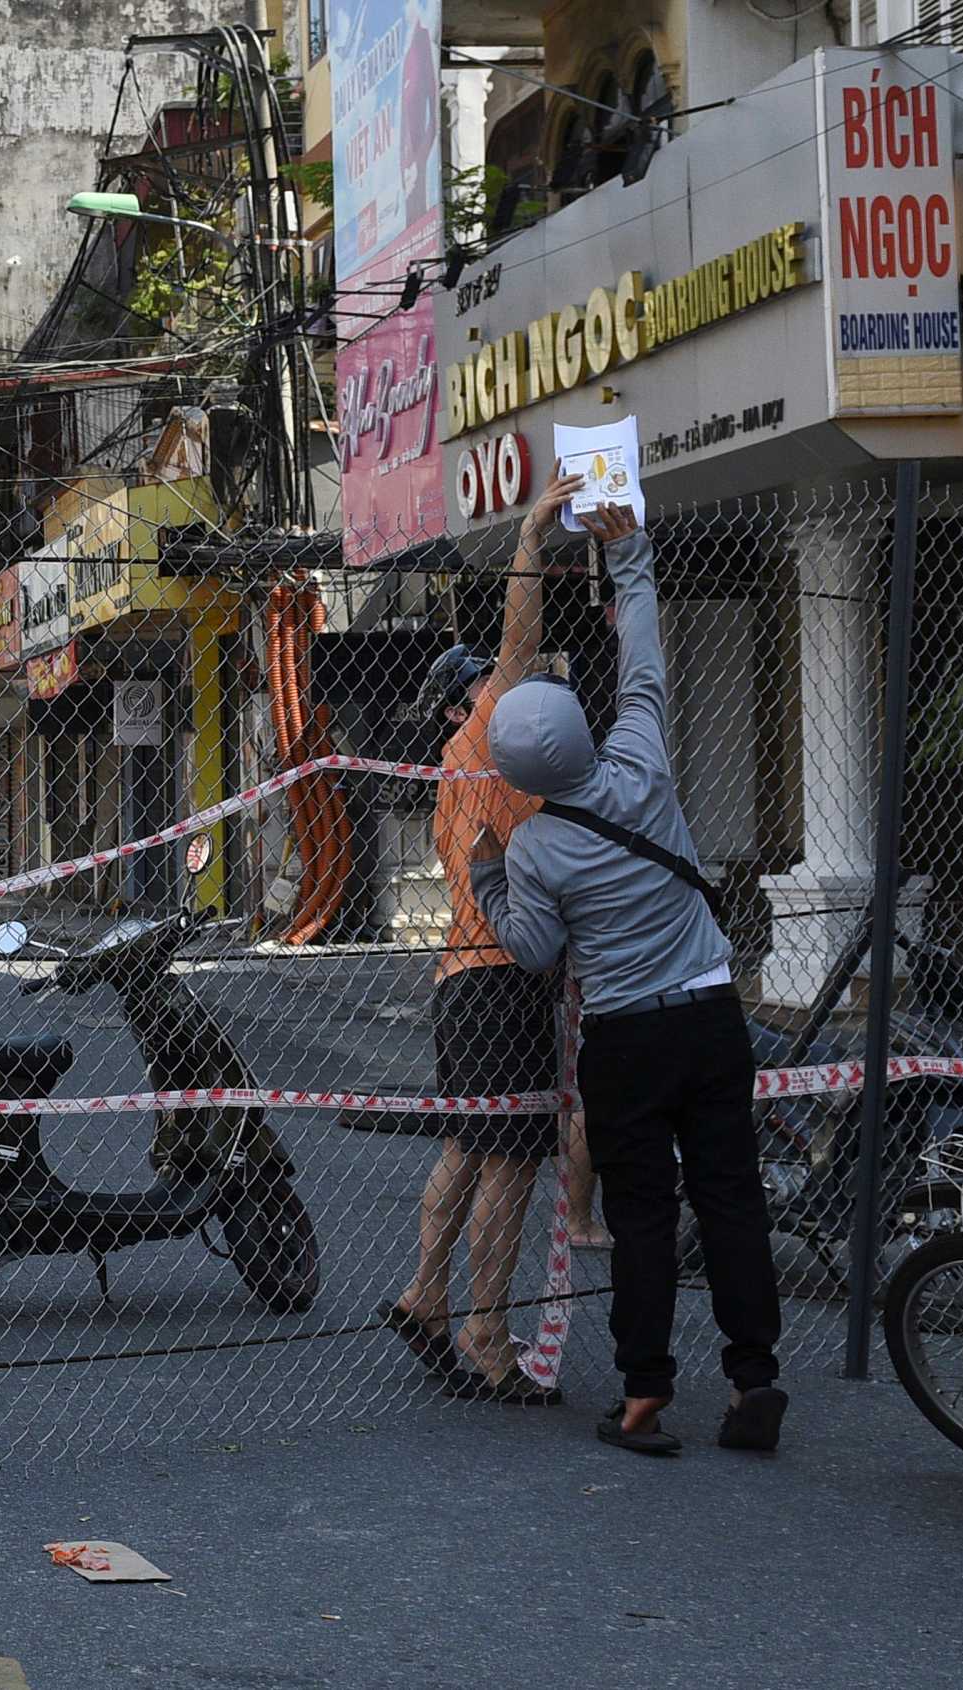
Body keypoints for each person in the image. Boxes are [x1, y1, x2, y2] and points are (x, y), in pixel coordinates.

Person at [471, 502, 787, 1458]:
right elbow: (645, 660)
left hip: (624, 1040)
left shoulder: (534, 849)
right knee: (732, 1194)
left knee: (641, 1213)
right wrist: (626, 551)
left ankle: (646, 1397)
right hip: (711, 1011)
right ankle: (754, 1378)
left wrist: (488, 873)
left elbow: (532, 952)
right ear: (584, 725)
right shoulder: (643, 760)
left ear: (520, 773)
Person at [384, 471, 584, 1407]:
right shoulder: (494, 734)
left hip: (463, 976)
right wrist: (531, 544)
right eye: (501, 682)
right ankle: (487, 1332)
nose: (531, 682)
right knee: (509, 1161)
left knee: (467, 1147)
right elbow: (522, 640)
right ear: (476, 695)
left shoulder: (458, 770)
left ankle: (428, 1293)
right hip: (503, 975)